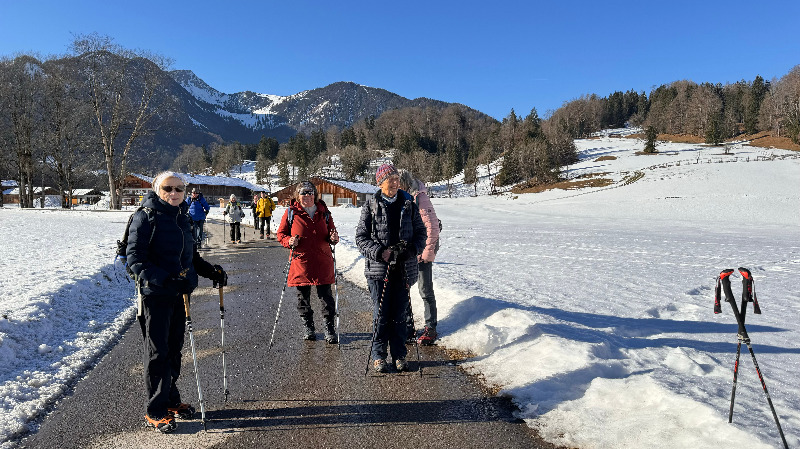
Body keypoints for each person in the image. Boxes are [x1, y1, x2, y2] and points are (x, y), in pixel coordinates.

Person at [126, 171, 227, 433]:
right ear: (157, 190)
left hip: (179, 295)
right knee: (157, 353)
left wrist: (212, 272)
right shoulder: (145, 217)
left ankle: (170, 400)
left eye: (179, 188)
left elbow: (190, 258)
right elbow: (135, 259)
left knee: (174, 350)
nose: (174, 193)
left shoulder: (183, 217)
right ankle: (155, 410)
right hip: (155, 295)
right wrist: (167, 280)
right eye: (168, 188)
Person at [355, 164, 426, 373]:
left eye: (396, 179)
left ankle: (399, 355)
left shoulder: (408, 203)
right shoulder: (371, 205)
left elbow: (421, 233)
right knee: (381, 315)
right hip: (379, 271)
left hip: (403, 268)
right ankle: (379, 356)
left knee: (400, 315)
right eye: (390, 179)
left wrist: (411, 250)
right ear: (380, 183)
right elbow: (361, 238)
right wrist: (379, 252)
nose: (395, 183)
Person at [276, 181, 340, 343]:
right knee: (303, 298)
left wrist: (334, 238)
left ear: (315, 195)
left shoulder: (324, 212)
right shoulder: (291, 212)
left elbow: (332, 233)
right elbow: (281, 234)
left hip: (322, 260)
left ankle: (329, 328)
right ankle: (308, 327)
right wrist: (289, 241)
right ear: (297, 196)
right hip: (301, 262)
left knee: (326, 298)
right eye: (303, 192)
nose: (307, 195)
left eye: (310, 192)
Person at [398, 169, 441, 345]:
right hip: (407, 251)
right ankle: (408, 328)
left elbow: (432, 228)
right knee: (404, 288)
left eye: (397, 182)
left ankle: (431, 328)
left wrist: (425, 253)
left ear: (404, 183)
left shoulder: (419, 198)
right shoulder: (400, 198)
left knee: (425, 289)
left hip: (421, 250)